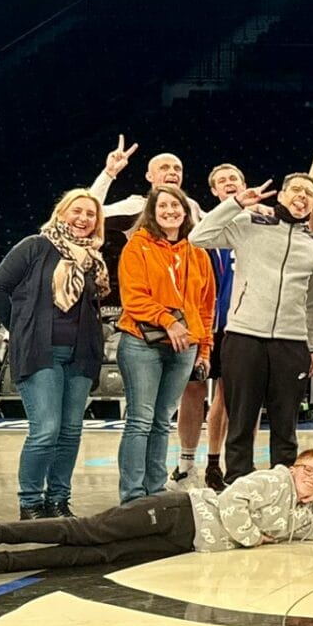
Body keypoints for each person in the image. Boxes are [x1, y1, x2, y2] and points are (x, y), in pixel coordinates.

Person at [0, 448, 313, 583]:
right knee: (88, 530)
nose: (310, 478)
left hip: (182, 542)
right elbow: (232, 503)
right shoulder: (273, 481)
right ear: (294, 467)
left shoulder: (309, 512)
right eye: (307, 470)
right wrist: (254, 539)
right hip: (179, 512)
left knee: (100, 556)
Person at [188, 173, 313, 481]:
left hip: (292, 344)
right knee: (240, 420)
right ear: (281, 195)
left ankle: (283, 486)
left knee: (285, 424)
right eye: (295, 189)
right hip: (244, 337)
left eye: (309, 192)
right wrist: (235, 202)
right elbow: (198, 236)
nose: (302, 196)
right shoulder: (249, 225)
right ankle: (238, 483)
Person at [0, 188, 112, 519]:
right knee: (46, 429)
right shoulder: (35, 246)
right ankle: (30, 504)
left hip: (81, 353)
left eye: (90, 214)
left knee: (70, 431)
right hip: (41, 351)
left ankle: (58, 500)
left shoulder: (93, 260)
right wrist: (21, 324)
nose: (83, 219)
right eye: (77, 211)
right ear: (62, 212)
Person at [115, 185, 216, 502]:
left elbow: (206, 307)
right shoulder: (137, 247)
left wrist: (204, 348)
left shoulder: (198, 252)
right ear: (153, 213)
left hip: (185, 347)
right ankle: (132, 495)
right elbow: (133, 298)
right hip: (141, 344)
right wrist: (169, 321)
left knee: (162, 422)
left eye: (177, 206)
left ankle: (155, 490)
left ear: (186, 212)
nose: (171, 211)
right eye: (163, 206)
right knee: (140, 420)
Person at [174, 161, 245, 488]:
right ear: (215, 191)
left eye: (234, 178)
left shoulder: (259, 222)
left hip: (242, 325)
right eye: (222, 181)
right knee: (193, 389)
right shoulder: (204, 228)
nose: (229, 183)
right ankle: (186, 464)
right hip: (207, 325)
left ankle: (216, 464)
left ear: (244, 186)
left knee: (231, 398)